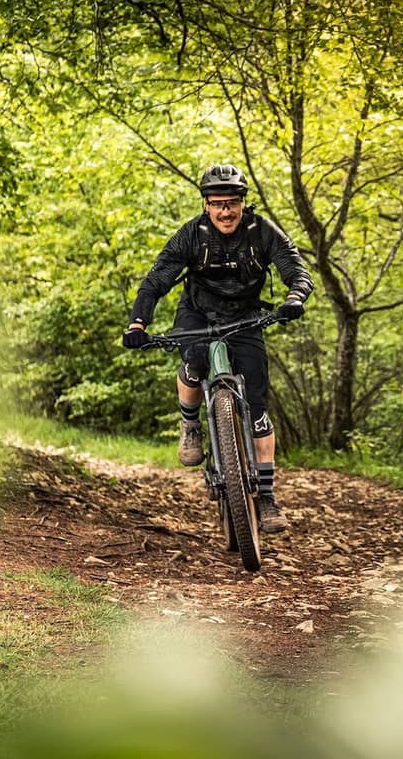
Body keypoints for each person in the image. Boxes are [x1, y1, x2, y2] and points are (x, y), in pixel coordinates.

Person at [122, 163, 314, 534]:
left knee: (257, 404)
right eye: (217, 204)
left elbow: (295, 268)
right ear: (206, 205)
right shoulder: (192, 235)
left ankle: (268, 497)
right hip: (197, 313)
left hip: (245, 317)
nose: (225, 211)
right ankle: (191, 424)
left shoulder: (262, 232)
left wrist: (294, 297)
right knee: (193, 362)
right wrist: (137, 323)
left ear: (243, 203)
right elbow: (157, 278)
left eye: (232, 203)